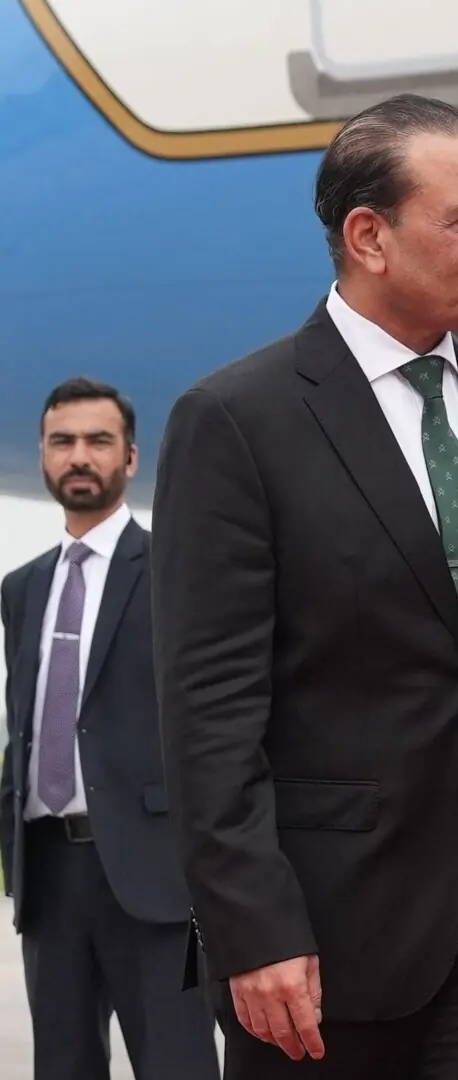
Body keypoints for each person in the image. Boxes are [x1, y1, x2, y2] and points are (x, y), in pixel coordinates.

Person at [150, 93, 458, 1079]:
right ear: (369, 236)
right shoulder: (236, 422)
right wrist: (252, 927)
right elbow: (209, 711)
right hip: (325, 942)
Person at [2, 377, 219, 1080]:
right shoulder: (22, 587)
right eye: (63, 442)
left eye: (99, 441)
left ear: (130, 459)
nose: (79, 456)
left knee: (177, 1063)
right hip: (49, 878)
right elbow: (29, 723)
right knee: (62, 1067)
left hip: (156, 877)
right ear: (43, 455)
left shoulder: (175, 571)